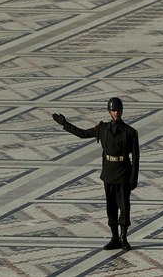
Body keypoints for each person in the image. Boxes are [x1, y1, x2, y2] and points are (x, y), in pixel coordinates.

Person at [52, 97, 139, 251]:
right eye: (113, 110)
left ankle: (123, 237)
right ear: (109, 112)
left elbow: (136, 157)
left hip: (123, 173)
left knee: (124, 207)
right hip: (109, 174)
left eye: (118, 110)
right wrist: (65, 124)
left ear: (121, 111)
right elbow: (83, 134)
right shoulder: (103, 129)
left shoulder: (130, 132)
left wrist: (134, 178)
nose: (116, 113)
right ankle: (114, 238)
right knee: (111, 207)